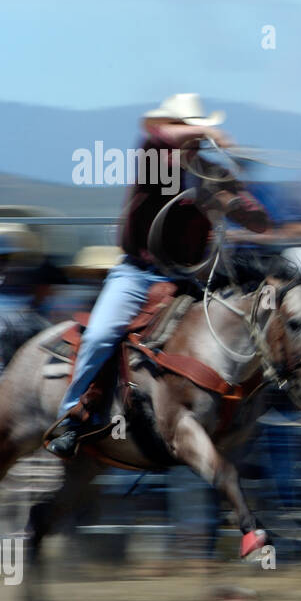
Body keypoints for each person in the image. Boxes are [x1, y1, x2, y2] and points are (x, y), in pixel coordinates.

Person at [45, 93, 271, 458]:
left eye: (198, 129)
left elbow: (260, 223)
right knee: (101, 334)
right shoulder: (154, 160)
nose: (196, 136)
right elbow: (160, 138)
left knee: (236, 332)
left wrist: (234, 201)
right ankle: (72, 416)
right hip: (137, 275)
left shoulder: (212, 174)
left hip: (187, 281)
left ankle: (230, 414)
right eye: (189, 128)